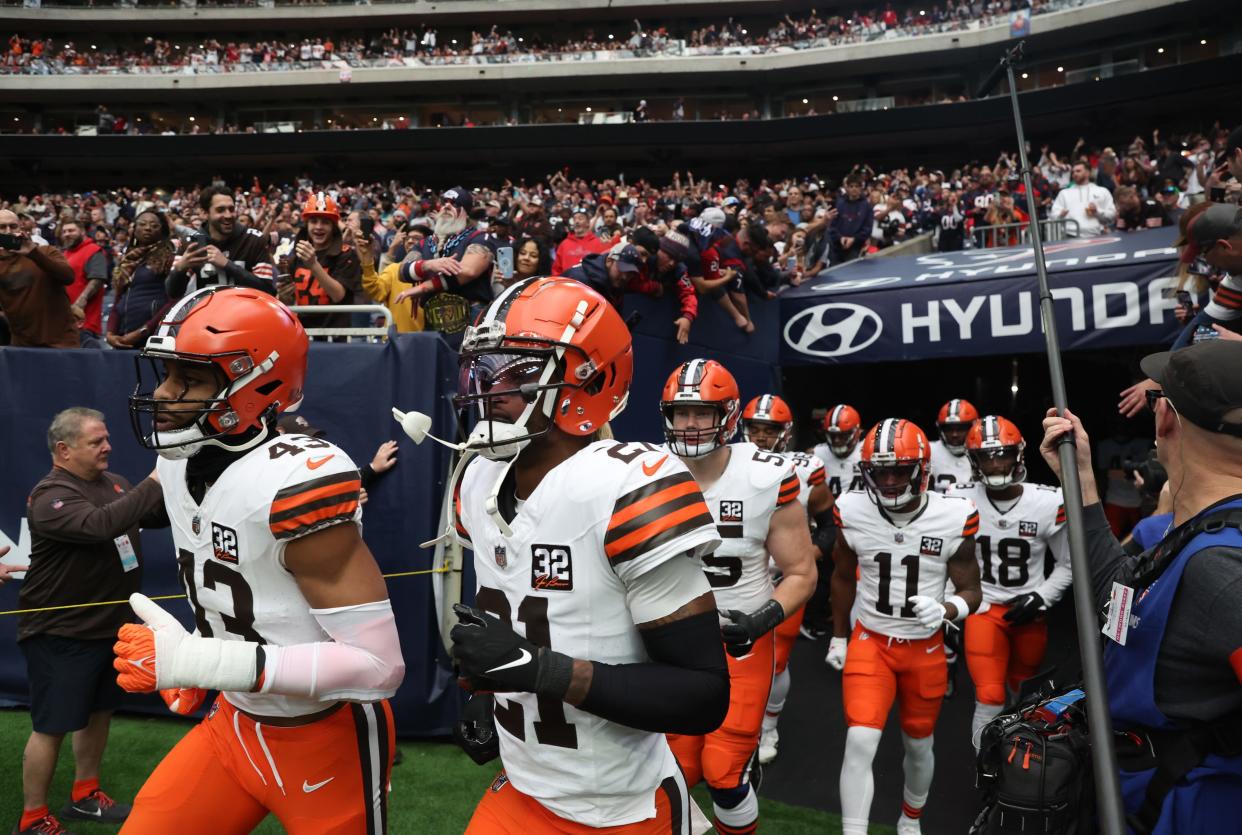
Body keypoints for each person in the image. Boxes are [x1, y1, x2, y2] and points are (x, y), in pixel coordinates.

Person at [112, 286, 405, 833]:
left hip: (324, 735)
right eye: (167, 375)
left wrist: (202, 661)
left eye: (191, 379)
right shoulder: (178, 460)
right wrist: (208, 657)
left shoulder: (296, 478)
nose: (167, 395)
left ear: (257, 385)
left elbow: (379, 667)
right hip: (234, 724)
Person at [445, 277, 728, 834]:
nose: (491, 386)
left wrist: (538, 670)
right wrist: (491, 689)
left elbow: (702, 694)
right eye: (487, 367)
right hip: (523, 783)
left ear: (588, 378)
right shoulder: (479, 478)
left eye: (519, 370)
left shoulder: (625, 486)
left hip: (617, 807)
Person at [1038, 340, 1242, 834]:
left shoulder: (1224, 571)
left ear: (1166, 419)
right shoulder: (1198, 530)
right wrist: (1082, 478)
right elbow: (1121, 601)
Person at [661, 363, 816, 834]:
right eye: (680, 413)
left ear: (727, 416)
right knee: (675, 771)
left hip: (740, 642)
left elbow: (801, 573)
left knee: (723, 771)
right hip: (669, 644)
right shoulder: (647, 472)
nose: (690, 425)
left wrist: (759, 620)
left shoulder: (764, 475)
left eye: (701, 413)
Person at [15, 408, 166, 835]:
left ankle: (84, 796)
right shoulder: (50, 495)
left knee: (99, 712)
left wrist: (180, 487)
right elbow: (101, 525)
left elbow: (150, 514)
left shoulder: (113, 482)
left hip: (108, 627)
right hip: (61, 632)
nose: (107, 447)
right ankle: (32, 819)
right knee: (52, 726)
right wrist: (154, 481)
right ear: (64, 450)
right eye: (96, 442)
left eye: (106, 439)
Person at [828, 418, 981, 835]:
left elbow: (972, 590)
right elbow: (842, 577)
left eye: (899, 469)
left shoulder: (955, 515)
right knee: (860, 740)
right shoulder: (852, 509)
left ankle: (910, 819)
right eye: (880, 471)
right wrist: (839, 635)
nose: (890, 479)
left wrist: (948, 609)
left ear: (922, 469)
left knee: (918, 745)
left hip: (924, 648)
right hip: (871, 641)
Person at [947, 416, 1070, 749]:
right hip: (984, 609)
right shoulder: (958, 499)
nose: (995, 463)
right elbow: (947, 560)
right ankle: (985, 770)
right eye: (985, 456)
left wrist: (1041, 597)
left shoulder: (1047, 501)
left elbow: (1068, 564)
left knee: (1022, 691)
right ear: (972, 461)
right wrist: (950, 603)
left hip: (1028, 611)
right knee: (988, 697)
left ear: (1019, 454)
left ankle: (1016, 765)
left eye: (1002, 453)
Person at [739, 395, 835, 765]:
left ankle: (769, 726)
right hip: (737, 576)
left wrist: (807, 556)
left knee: (776, 659)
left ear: (786, 433)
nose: (761, 437)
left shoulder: (807, 468)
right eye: (755, 429)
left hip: (782, 580)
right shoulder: (726, 462)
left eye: (770, 430)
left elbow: (828, 526)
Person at [393, 187, 494, 316]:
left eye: (455, 203)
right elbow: (402, 272)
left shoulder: (479, 237)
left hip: (469, 315)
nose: (447, 206)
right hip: (433, 315)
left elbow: (468, 271)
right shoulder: (426, 242)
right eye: (444, 202)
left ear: (467, 212)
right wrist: (428, 264)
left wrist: (423, 287)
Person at [165, 185, 276, 299]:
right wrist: (179, 269)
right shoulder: (190, 243)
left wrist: (227, 265)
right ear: (204, 213)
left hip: (244, 314)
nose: (228, 215)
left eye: (231, 209)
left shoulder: (253, 240)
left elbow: (268, 291)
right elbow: (172, 293)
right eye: (220, 210)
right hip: (205, 315)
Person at [279, 192, 361, 339]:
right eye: (314, 221)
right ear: (307, 224)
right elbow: (287, 302)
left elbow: (338, 295)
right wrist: (284, 296)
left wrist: (313, 264)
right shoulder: (297, 254)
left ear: (333, 226)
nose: (318, 227)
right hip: (302, 335)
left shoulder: (346, 255)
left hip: (335, 338)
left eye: (325, 222)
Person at [0, 209, 79, 348]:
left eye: (13, 226)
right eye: (2, 227)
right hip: (21, 345)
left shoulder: (46, 251)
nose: (8, 231)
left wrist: (33, 253)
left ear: (21, 228)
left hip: (60, 343)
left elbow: (68, 277)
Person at [106, 209, 174, 350]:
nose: (148, 228)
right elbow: (118, 300)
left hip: (153, 338)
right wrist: (110, 333)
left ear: (162, 231)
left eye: (154, 225)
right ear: (134, 229)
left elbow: (174, 300)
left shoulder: (168, 257)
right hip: (122, 336)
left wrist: (143, 330)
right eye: (142, 224)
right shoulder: (128, 260)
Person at [58, 218, 109, 348]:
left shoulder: (93, 250)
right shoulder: (66, 253)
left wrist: (80, 302)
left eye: (71, 230)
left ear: (82, 231)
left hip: (84, 323)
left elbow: (97, 279)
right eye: (64, 231)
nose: (67, 234)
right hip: (66, 323)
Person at [559, 244, 645, 310]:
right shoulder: (578, 280)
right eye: (622, 269)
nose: (625, 277)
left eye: (630, 273)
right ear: (609, 261)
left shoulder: (616, 285)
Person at [812, 404, 865, 499]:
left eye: (843, 435)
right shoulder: (815, 455)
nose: (836, 440)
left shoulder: (868, 452)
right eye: (832, 435)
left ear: (857, 432)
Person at [1051, 162, 1117, 237]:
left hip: (1097, 236)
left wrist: (1097, 211)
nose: (1075, 174)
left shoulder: (1102, 191)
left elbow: (1112, 215)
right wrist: (1060, 214)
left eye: (1078, 171)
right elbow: (1053, 215)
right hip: (1070, 236)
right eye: (1073, 172)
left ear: (1088, 173)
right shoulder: (1064, 193)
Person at [929, 398, 978, 491]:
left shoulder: (982, 452)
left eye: (961, 428)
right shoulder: (929, 451)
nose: (954, 434)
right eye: (949, 429)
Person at [550, 209, 607, 275]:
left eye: (580, 218)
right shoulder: (564, 244)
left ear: (588, 223)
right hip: (567, 283)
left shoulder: (598, 243)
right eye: (575, 219)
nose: (577, 221)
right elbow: (556, 270)